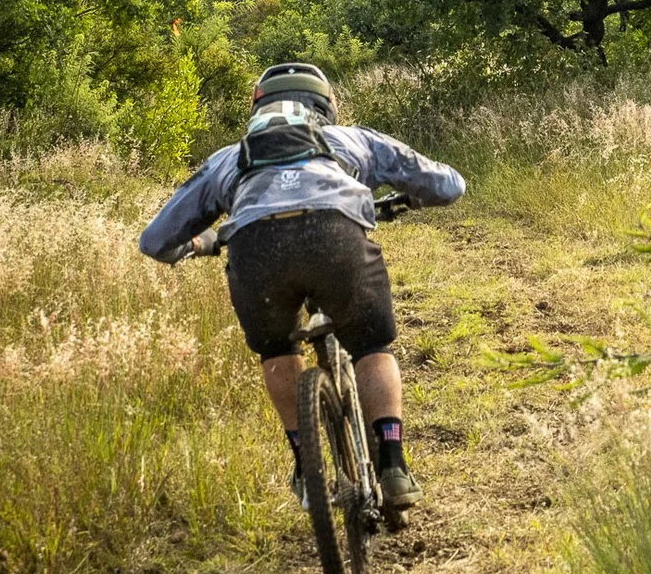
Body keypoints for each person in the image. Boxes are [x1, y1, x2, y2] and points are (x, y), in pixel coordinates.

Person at [140, 62, 465, 513]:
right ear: (325, 106)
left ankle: (306, 468)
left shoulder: (227, 159)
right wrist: (414, 197)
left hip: (258, 253)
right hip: (334, 239)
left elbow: (154, 241)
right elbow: (449, 184)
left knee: (276, 351)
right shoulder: (352, 139)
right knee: (372, 346)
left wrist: (196, 244)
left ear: (259, 109)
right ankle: (392, 463)